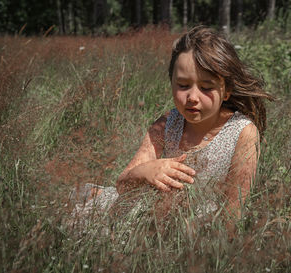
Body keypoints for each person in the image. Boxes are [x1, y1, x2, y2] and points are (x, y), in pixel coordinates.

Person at [70, 26, 274, 226]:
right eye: (183, 85)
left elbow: (233, 213)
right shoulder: (167, 124)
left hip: (196, 229)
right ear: (172, 83)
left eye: (206, 88)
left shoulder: (242, 132)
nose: (192, 97)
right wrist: (147, 171)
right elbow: (122, 185)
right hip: (143, 218)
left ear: (227, 91)